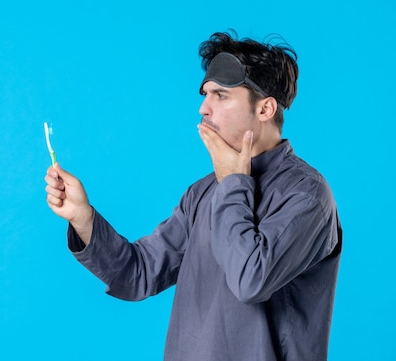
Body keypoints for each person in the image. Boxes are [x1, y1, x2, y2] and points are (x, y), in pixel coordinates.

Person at [44, 31, 342, 361]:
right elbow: (138, 273)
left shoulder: (307, 194)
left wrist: (233, 182)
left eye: (221, 95)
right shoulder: (202, 192)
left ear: (265, 109)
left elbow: (251, 280)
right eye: (205, 95)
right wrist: (83, 218)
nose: (203, 108)